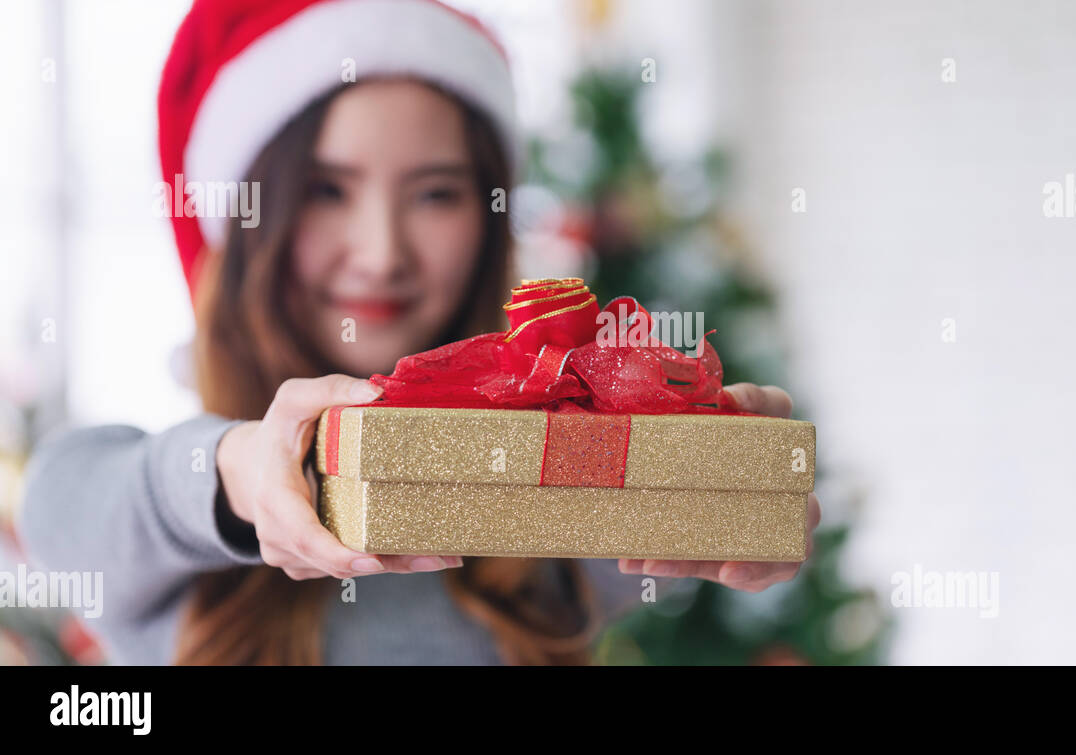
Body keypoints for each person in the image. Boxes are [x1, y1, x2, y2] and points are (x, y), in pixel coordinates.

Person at [17, 0, 820, 665]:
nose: (381, 253)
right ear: (248, 222)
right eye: (327, 190)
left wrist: (725, 481)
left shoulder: (555, 506)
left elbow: (705, 528)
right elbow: (66, 504)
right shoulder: (174, 526)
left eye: (436, 194)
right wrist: (242, 476)